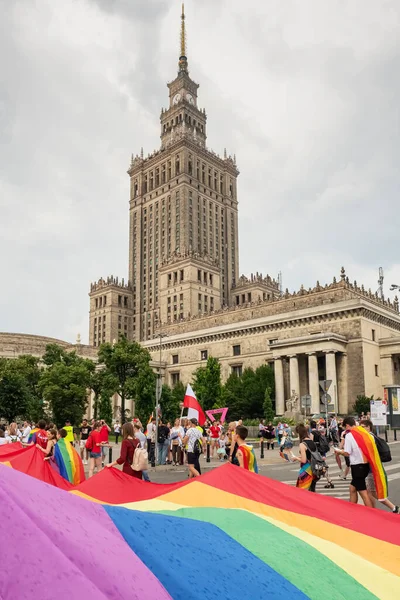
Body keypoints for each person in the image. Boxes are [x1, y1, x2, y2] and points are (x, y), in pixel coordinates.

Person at [360, 419, 399, 514]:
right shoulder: (372, 436)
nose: (361, 429)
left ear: (368, 427)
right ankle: (373, 510)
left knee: (372, 492)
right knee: (370, 491)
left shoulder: (369, 437)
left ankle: (393, 508)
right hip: (373, 466)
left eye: (362, 427)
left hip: (372, 467)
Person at [334, 416, 373, 507]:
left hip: (357, 466)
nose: (345, 429)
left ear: (347, 425)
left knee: (363, 493)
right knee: (352, 488)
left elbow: (347, 453)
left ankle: (371, 512)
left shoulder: (350, 435)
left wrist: (339, 452)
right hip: (365, 464)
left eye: (344, 427)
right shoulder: (363, 433)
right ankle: (352, 509)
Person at [291, 424, 318, 492]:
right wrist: (297, 457)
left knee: (302, 490)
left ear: (299, 433)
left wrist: (296, 458)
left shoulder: (302, 444)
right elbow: (309, 455)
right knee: (312, 490)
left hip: (306, 469)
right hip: (314, 468)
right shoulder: (311, 442)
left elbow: (303, 460)